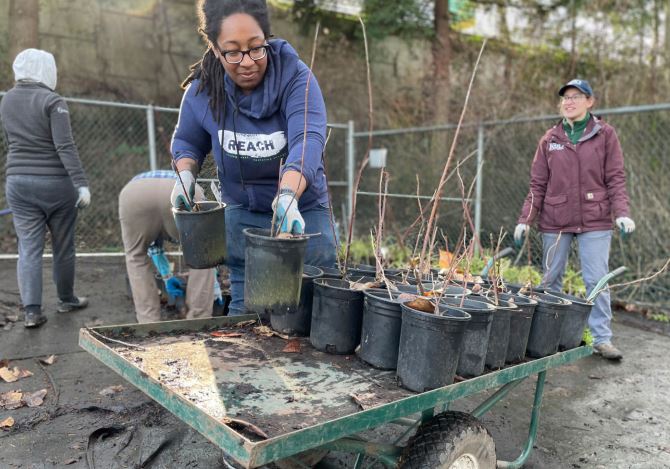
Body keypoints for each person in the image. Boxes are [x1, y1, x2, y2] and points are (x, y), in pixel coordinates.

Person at [170, 0, 337, 315]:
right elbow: (187, 141)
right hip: (243, 215)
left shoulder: (297, 79)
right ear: (215, 49)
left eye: (256, 48)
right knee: (246, 325)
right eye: (232, 52)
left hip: (302, 215)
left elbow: (307, 139)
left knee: (312, 319)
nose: (246, 61)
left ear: (267, 38)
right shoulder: (203, 90)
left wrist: (288, 195)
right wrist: (185, 177)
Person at [514, 79, 635, 361]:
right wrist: (525, 220)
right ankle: (550, 338)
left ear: (590, 102)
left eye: (576, 97)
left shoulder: (605, 135)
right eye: (565, 97)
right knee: (551, 279)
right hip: (556, 219)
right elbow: (537, 185)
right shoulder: (550, 139)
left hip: (595, 218)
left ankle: (602, 340)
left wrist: (622, 214)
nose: (569, 102)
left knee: (596, 280)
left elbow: (616, 178)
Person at [1, 49, 90, 328]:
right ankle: (66, 300)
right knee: (63, 246)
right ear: (45, 70)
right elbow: (64, 146)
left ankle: (31, 311)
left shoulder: (6, 100)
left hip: (17, 183)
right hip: (56, 185)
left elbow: (11, 140)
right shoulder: (53, 100)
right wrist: (81, 183)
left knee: (28, 248)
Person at [119, 170, 216, 323]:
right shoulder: (182, 176)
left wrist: (166, 275)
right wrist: (214, 287)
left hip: (135, 193)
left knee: (136, 255)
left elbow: (152, 245)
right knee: (203, 252)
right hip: (183, 190)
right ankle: (199, 319)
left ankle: (148, 322)